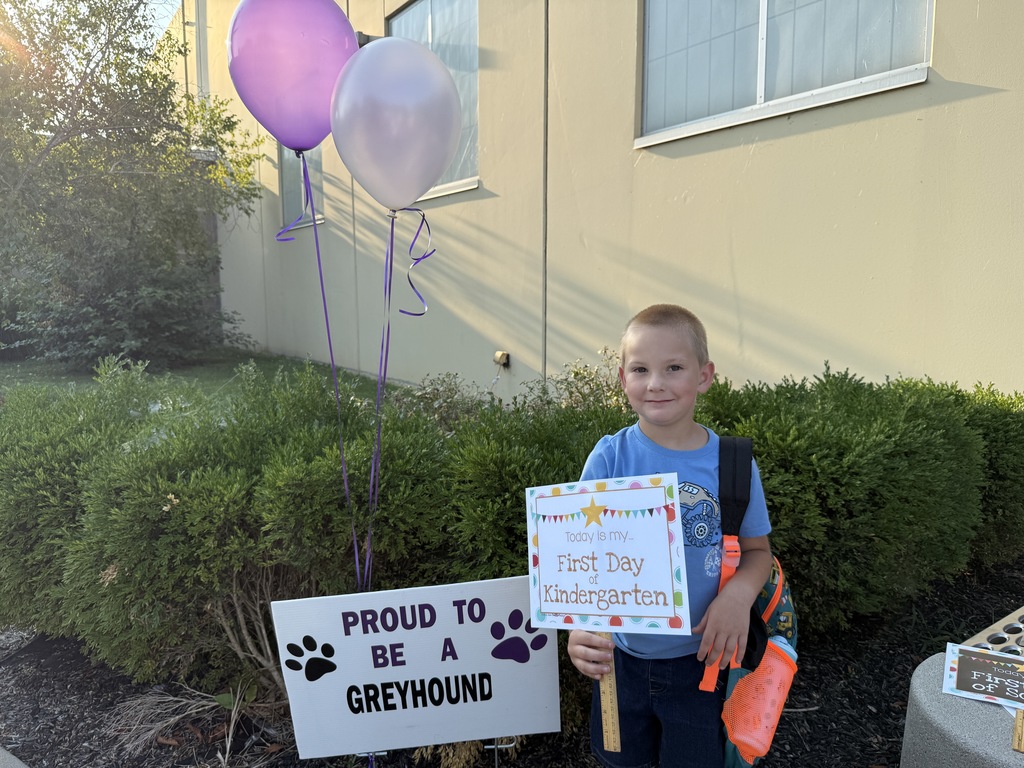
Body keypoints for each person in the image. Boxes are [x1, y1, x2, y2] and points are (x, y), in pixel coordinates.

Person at [567, 303, 774, 768]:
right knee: (623, 761)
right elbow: (579, 559)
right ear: (623, 379)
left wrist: (738, 597)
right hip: (618, 665)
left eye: (673, 368)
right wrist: (580, 626)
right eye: (640, 369)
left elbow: (758, 552)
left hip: (703, 664)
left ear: (704, 376)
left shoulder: (734, 464)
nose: (655, 383)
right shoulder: (609, 460)